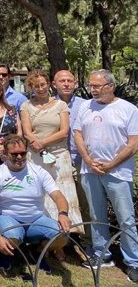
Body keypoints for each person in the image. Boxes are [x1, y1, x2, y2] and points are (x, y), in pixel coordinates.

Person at [73, 69, 138, 279]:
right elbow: (78, 134)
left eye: (97, 86)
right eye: (90, 85)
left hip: (118, 172)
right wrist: (88, 160)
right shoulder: (84, 106)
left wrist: (110, 164)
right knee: (96, 216)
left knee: (125, 218)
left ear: (110, 86)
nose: (92, 90)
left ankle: (133, 260)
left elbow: (133, 144)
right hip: (89, 170)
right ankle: (102, 254)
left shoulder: (128, 109)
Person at [0, 135, 71, 272]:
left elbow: (58, 196)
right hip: (9, 218)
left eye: (22, 153)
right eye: (14, 154)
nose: (19, 157)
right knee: (12, 236)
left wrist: (63, 214)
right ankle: (3, 255)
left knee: (62, 236)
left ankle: (37, 252)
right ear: (5, 154)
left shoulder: (38, 171)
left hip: (36, 218)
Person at [20, 70, 82, 234]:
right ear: (31, 88)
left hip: (59, 155)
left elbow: (64, 131)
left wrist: (42, 143)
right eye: (35, 86)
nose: (40, 88)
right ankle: (46, 233)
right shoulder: (26, 106)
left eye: (42, 84)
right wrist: (36, 144)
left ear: (48, 84)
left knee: (62, 192)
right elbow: (27, 131)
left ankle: (66, 235)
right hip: (35, 156)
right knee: (41, 193)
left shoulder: (60, 105)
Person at [53, 69, 90, 222]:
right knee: (60, 204)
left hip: (81, 161)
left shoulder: (86, 105)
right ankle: (65, 240)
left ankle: (88, 241)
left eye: (70, 81)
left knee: (86, 203)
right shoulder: (49, 105)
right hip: (57, 161)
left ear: (75, 84)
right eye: (62, 81)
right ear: (54, 84)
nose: (66, 84)